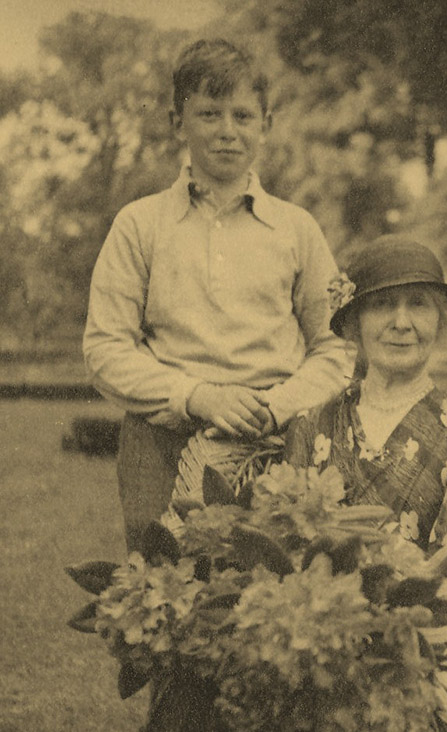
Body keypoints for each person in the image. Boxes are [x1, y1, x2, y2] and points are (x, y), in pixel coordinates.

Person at [83, 38, 350, 553]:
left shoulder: (297, 229)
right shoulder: (139, 225)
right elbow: (104, 350)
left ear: (266, 126)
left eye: (243, 116)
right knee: (168, 602)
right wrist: (199, 397)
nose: (228, 131)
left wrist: (278, 405)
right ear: (177, 122)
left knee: (273, 599)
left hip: (279, 437)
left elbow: (336, 346)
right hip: (163, 441)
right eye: (209, 113)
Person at [282, 236, 447, 551]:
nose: (402, 323)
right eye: (383, 304)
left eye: (418, 304)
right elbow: (286, 543)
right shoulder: (310, 425)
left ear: (440, 320)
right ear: (356, 321)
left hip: (425, 599)